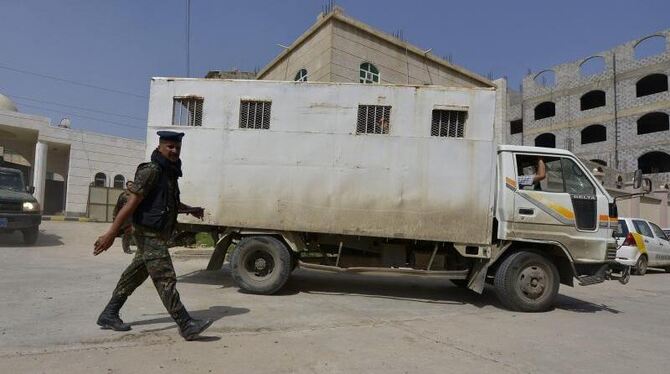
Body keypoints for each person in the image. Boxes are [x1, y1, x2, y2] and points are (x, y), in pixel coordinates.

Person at [93, 131, 211, 341]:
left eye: (177, 147)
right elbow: (132, 203)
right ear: (160, 147)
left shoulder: (169, 172)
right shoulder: (152, 170)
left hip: (157, 234)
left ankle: (109, 314)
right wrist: (111, 233)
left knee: (135, 274)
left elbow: (167, 202)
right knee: (165, 277)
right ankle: (186, 324)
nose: (174, 151)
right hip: (148, 234)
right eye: (170, 147)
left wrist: (190, 209)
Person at [113, 181, 134, 254]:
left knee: (133, 232)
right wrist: (115, 216)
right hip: (126, 217)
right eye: (130, 185)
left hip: (133, 216)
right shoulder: (123, 195)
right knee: (127, 233)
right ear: (127, 186)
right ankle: (126, 248)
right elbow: (118, 206)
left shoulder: (135, 194)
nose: (131, 186)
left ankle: (130, 245)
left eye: (132, 185)